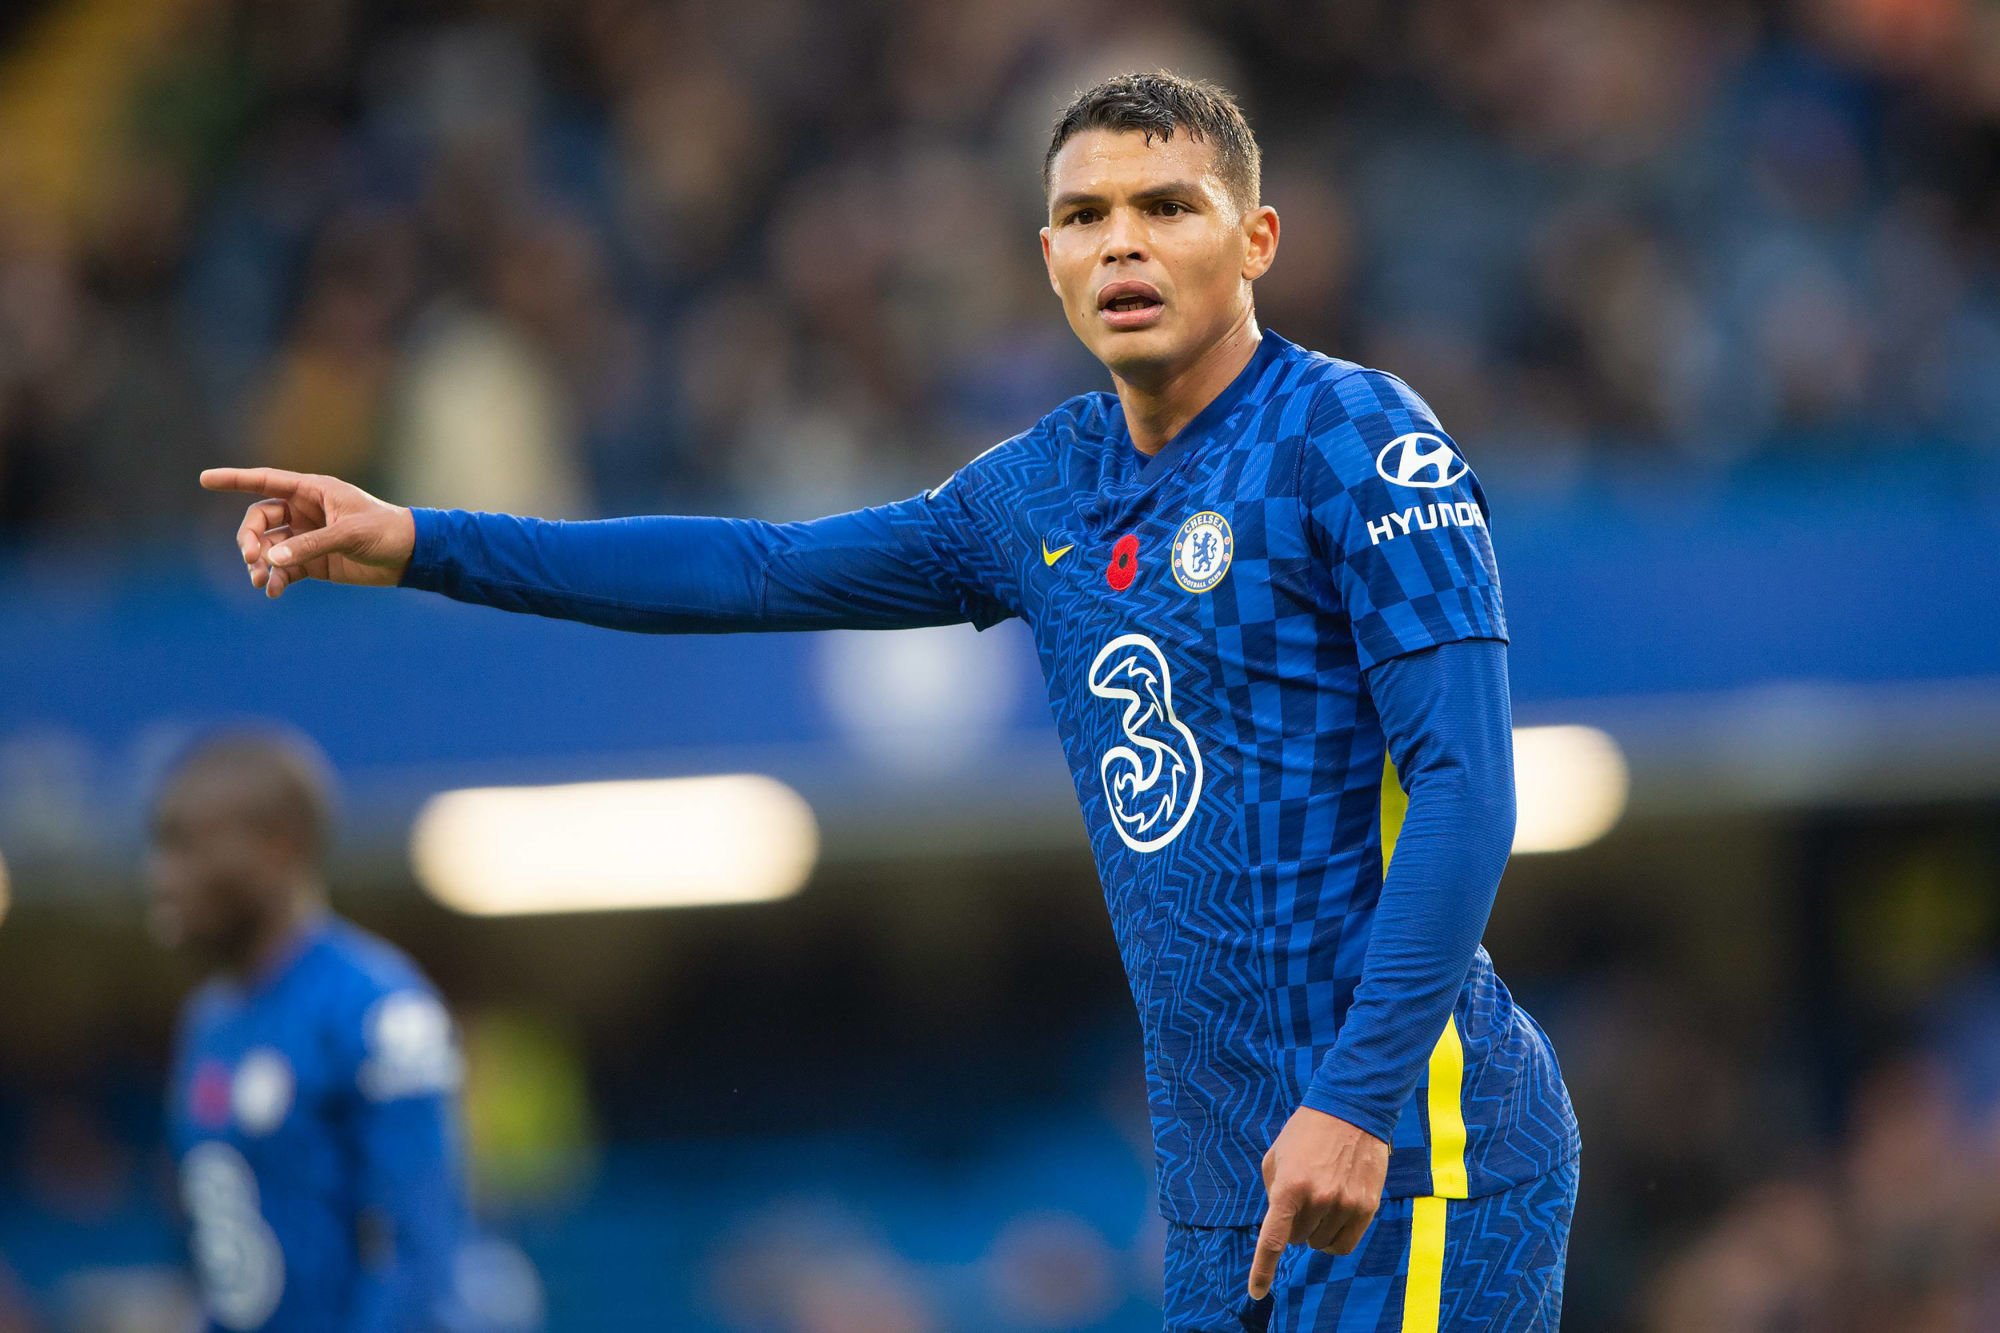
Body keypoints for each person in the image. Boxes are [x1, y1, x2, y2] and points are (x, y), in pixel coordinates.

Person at [203, 71, 1581, 1331]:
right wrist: (420, 541)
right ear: (1047, 257)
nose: (1122, 244)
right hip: (1227, 1194)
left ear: (1257, 239)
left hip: (1417, 1151)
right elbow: (754, 569)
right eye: (1085, 216)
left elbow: (1465, 786)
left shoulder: (1353, 437)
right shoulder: (1038, 491)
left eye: (1168, 207)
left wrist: (1356, 1098)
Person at [151, 730, 476, 1330]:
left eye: (187, 847)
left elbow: (415, 1255)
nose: (163, 878)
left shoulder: (375, 1007)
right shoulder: (208, 1022)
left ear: (279, 846)